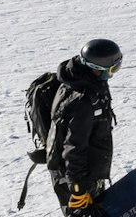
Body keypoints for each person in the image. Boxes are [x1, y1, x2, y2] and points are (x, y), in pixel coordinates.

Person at [46, 38, 120, 214]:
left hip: (85, 170)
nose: (114, 73)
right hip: (75, 176)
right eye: (113, 68)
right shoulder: (83, 101)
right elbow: (74, 147)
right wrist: (78, 189)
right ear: (97, 69)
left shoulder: (83, 80)